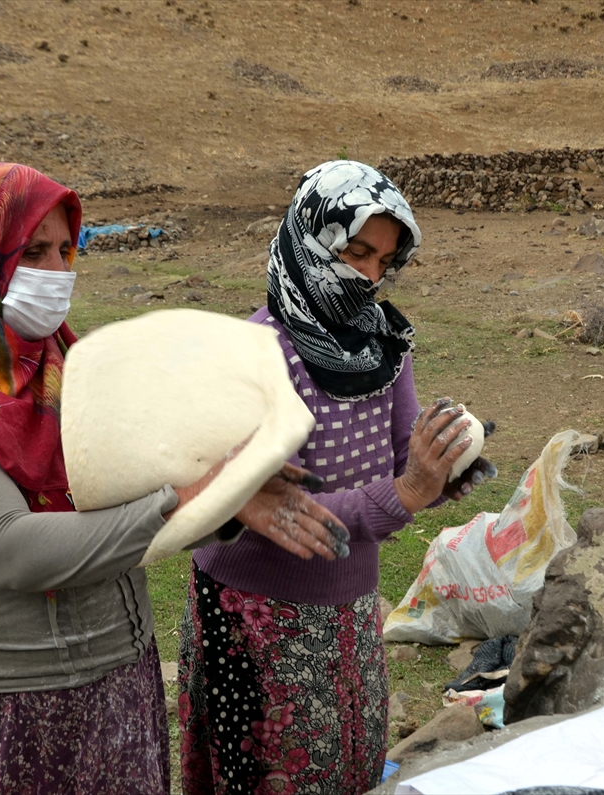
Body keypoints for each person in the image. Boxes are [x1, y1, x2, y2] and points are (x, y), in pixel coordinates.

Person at [0, 162, 348, 795]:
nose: (56, 272)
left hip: (118, 684)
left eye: (67, 250)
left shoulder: (73, 373)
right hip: (0, 709)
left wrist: (232, 495)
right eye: (32, 251)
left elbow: (128, 485)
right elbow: (8, 549)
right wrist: (190, 497)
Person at [177, 160, 495, 795]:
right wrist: (407, 494)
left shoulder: (381, 343)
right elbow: (287, 512)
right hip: (255, 616)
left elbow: (403, 463)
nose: (370, 275)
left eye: (384, 259)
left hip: (347, 610)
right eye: (355, 251)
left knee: (346, 771)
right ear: (310, 237)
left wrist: (440, 466)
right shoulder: (256, 356)